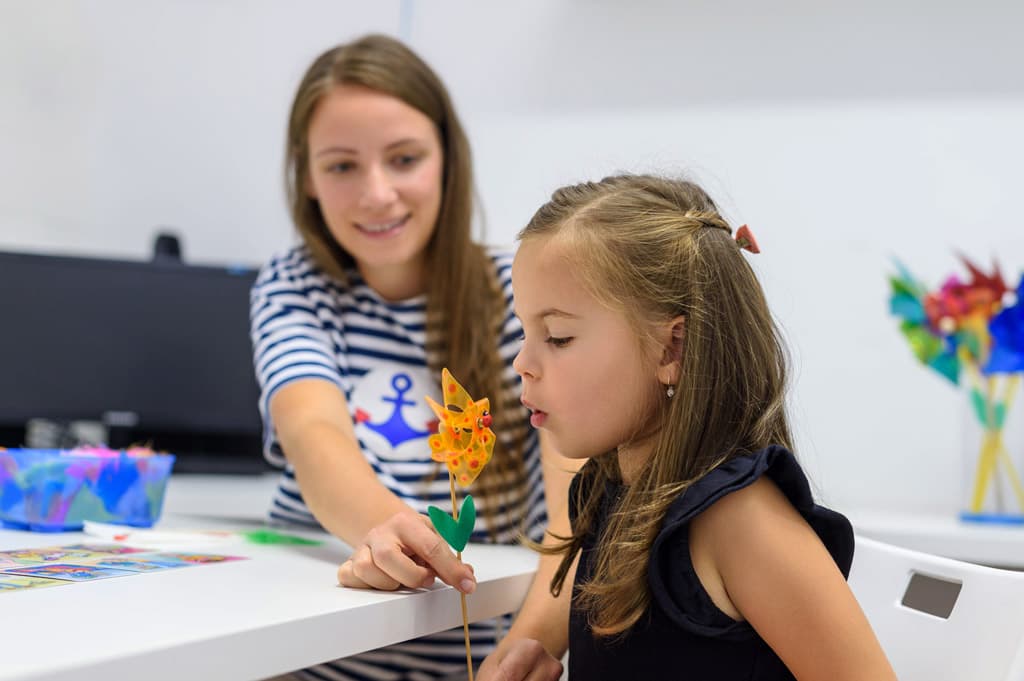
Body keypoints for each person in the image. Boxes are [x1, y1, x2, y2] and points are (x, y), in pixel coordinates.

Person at [477, 174, 898, 679]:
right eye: (524, 332)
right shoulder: (607, 494)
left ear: (671, 348)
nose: (523, 362)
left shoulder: (740, 520)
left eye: (558, 337)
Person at [250, 34, 568, 680]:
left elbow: (574, 513)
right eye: (342, 165)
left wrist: (524, 651)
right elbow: (312, 428)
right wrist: (383, 527)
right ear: (306, 176)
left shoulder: (521, 290)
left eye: (404, 158)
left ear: (448, 159)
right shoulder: (293, 283)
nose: (377, 193)